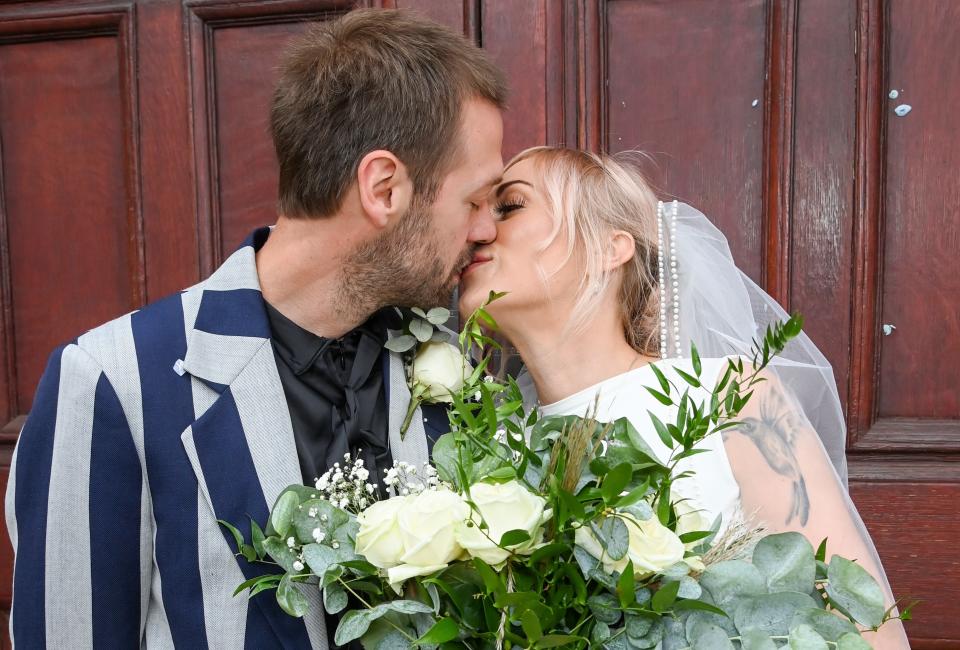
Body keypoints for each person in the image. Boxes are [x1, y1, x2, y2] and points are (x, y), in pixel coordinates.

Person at [5, 9, 506, 648]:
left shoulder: (454, 365)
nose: (488, 229)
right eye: (475, 200)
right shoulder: (112, 380)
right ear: (384, 188)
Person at [458, 146, 910, 647]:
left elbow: (862, 628)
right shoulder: (483, 446)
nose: (478, 229)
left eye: (510, 206)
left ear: (611, 248)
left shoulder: (731, 396)